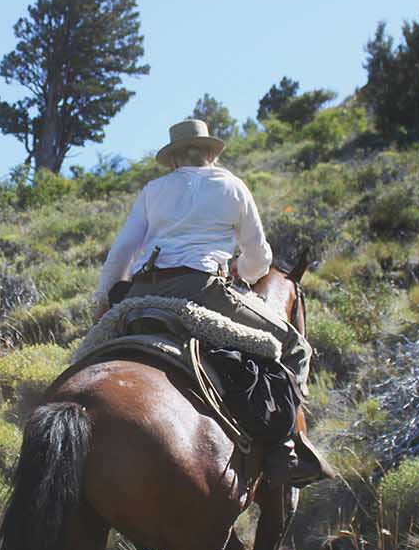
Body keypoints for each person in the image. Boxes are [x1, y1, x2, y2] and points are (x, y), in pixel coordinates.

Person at [92, 119, 330, 487]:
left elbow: (122, 250)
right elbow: (258, 256)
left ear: (173, 159)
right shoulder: (231, 185)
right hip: (202, 289)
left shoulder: (153, 190)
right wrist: (243, 274)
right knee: (294, 347)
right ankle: (286, 447)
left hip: (142, 292)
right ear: (210, 153)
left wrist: (103, 299)